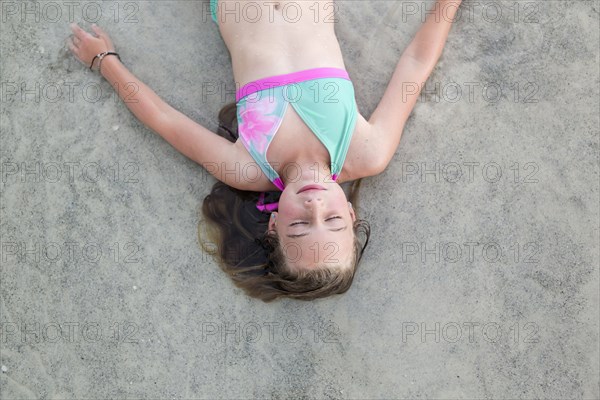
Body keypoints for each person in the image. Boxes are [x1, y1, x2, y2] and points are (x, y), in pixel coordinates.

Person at [67, 0, 462, 302]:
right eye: (333, 221)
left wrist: (104, 62)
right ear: (352, 214)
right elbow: (415, 65)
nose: (315, 208)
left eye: (300, 226)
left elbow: (164, 120)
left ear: (273, 225)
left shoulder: (246, 167)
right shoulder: (366, 152)